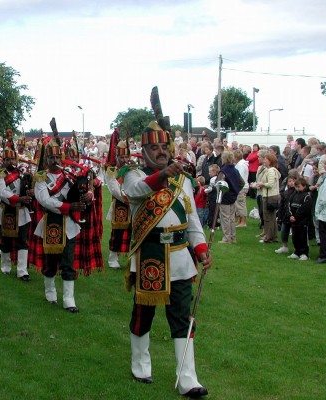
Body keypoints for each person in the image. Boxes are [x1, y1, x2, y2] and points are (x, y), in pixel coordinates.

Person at [123, 121, 212, 398]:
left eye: (164, 146)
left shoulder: (182, 178)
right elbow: (136, 191)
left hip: (180, 255)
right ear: (144, 149)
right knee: (143, 315)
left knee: (182, 318)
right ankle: (140, 366)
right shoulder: (132, 174)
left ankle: (188, 379)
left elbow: (191, 218)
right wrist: (163, 175)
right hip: (150, 254)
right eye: (154, 147)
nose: (160, 151)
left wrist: (200, 248)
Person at [33, 138, 93, 313]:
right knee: (51, 262)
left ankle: (69, 299)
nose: (55, 161)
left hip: (69, 225)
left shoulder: (69, 175)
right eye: (51, 158)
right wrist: (68, 207)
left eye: (57, 157)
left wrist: (86, 195)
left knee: (68, 262)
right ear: (46, 160)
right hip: (51, 223)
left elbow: (78, 195)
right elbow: (45, 200)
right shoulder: (41, 178)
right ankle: (50, 290)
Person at [0, 132, 33, 281]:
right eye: (8, 159)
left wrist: (29, 192)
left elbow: (26, 188)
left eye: (12, 158)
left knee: (23, 240)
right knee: (6, 240)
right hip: (7, 211)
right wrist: (19, 198)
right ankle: (6, 267)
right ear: (3, 160)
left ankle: (22, 271)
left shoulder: (21, 172)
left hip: (22, 211)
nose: (11, 161)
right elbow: (1, 192)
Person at [104, 136, 132, 269]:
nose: (124, 160)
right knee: (117, 233)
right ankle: (112, 259)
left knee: (133, 232)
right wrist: (130, 198)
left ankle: (132, 258)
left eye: (126, 157)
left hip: (133, 205)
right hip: (120, 204)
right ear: (117, 157)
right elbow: (115, 190)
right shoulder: (111, 171)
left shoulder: (132, 168)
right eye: (122, 157)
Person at [255, 153, 281, 243]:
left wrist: (261, 184)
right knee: (272, 217)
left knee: (268, 217)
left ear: (270, 161)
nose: (264, 161)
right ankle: (273, 236)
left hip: (270, 196)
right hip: (270, 195)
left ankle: (268, 237)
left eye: (266, 159)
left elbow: (270, 184)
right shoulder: (271, 170)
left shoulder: (271, 171)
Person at [217, 151, 241, 244]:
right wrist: (236, 190)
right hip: (233, 195)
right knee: (231, 218)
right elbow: (241, 182)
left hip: (225, 196)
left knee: (225, 218)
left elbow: (219, 182)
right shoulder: (235, 170)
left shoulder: (223, 171)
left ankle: (227, 238)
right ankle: (233, 237)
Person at [286, 177, 312, 261]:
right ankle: (297, 251)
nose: (297, 188)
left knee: (303, 237)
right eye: (296, 186)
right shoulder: (293, 195)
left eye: (299, 186)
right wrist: (290, 215)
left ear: (304, 186)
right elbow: (289, 205)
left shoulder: (307, 196)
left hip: (303, 221)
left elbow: (305, 209)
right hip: (293, 221)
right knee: (295, 236)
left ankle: (304, 253)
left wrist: (296, 216)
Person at [233, 149, 249, 227]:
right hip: (240, 186)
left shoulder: (241, 165)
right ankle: (240, 220)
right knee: (238, 204)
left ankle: (243, 221)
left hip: (241, 187)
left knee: (241, 204)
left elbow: (240, 177)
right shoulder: (240, 164)